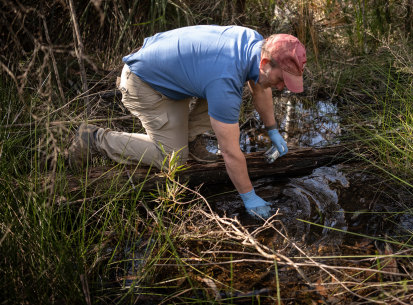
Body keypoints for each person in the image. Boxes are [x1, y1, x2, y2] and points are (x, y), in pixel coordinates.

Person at [68, 25, 306, 218]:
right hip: (143, 84)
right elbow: (230, 152)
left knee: (228, 97)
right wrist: (248, 196)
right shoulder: (226, 78)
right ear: (266, 64)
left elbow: (259, 86)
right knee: (173, 159)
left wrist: (273, 130)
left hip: (173, 78)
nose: (281, 87)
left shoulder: (254, 43)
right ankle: (94, 138)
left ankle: (189, 140)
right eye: (281, 80)